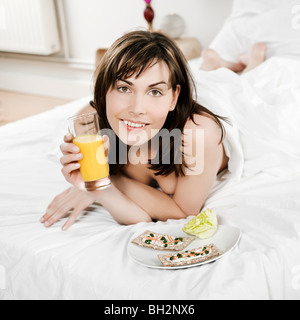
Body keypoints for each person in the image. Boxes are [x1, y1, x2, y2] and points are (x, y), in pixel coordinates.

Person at [40, 31, 232, 231]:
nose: (137, 108)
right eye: (124, 88)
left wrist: (111, 178)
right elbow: (141, 218)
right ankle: (208, 65)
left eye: (154, 91)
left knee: (235, 83)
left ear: (174, 97)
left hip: (224, 101)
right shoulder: (91, 127)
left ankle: (215, 64)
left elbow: (183, 213)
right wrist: (98, 186)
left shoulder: (199, 133)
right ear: (104, 91)